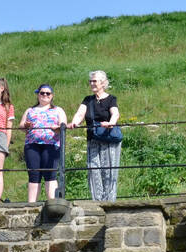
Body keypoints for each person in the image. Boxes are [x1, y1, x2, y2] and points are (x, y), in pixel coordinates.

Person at [69, 70, 121, 202]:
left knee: (109, 172)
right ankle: (97, 202)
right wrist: (74, 122)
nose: (92, 83)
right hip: (93, 139)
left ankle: (109, 202)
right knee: (93, 170)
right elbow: (80, 113)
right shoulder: (88, 100)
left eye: (94, 81)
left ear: (103, 83)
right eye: (90, 81)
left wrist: (111, 123)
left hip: (109, 139)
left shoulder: (111, 99)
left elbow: (115, 113)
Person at [19, 85, 67, 202]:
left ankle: (53, 202)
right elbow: (21, 126)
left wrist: (57, 128)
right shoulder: (30, 110)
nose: (45, 95)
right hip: (32, 144)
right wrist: (26, 125)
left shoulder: (58, 110)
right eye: (42, 93)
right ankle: (31, 203)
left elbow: (63, 125)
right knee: (34, 174)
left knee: (50, 174)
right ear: (38, 94)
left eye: (48, 93)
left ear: (52, 96)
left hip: (51, 144)